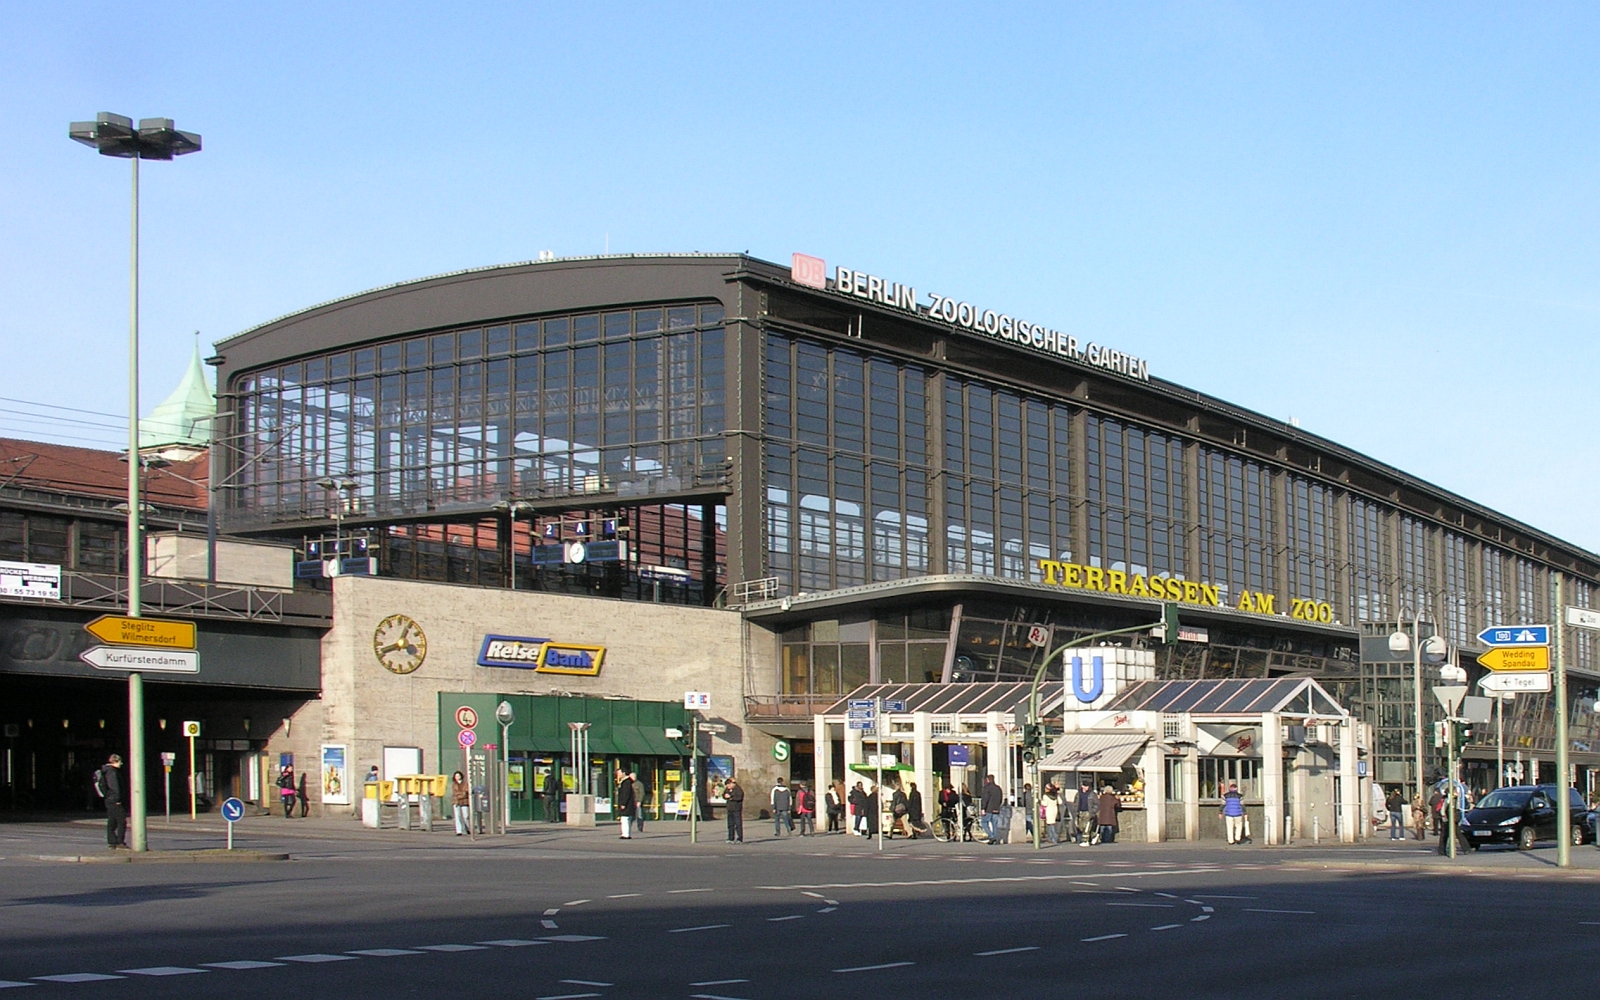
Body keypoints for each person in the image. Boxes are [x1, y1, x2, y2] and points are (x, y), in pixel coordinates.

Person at [95, 754, 126, 850]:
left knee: (112, 821)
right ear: (115, 761)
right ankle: (119, 842)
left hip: (108, 799)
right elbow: (114, 787)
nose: (121, 763)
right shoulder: (112, 772)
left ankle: (112, 841)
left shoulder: (106, 771)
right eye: (120, 761)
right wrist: (117, 799)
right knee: (121, 821)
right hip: (114, 800)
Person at [980, 774, 1005, 845]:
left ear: (987, 780)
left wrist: (983, 808)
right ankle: (995, 838)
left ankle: (991, 836)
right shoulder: (998, 788)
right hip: (996, 809)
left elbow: (985, 799)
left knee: (984, 822)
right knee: (995, 824)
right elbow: (1000, 799)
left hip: (988, 809)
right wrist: (997, 806)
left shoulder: (987, 788)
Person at [614, 768, 637, 839]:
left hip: (627, 804)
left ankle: (625, 834)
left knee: (624, 819)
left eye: (619, 773)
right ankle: (627, 833)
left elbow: (626, 794)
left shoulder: (626, 782)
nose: (618, 775)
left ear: (624, 773)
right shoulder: (626, 782)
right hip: (629, 804)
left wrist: (623, 803)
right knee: (627, 819)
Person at [1075, 781, 1099, 846]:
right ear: (1082, 786)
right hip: (1080, 812)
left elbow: (1097, 804)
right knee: (1081, 827)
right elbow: (1076, 802)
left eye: (1088, 786)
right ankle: (1094, 836)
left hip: (1088, 812)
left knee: (1086, 827)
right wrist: (1076, 811)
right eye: (1085, 786)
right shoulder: (1078, 793)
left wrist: (1093, 812)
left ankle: (1085, 841)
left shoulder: (1092, 794)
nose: (1087, 788)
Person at [724, 777, 745, 843]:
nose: (727, 786)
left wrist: (730, 797)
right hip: (729, 808)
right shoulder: (727, 789)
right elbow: (724, 794)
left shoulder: (738, 789)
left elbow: (739, 797)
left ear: (732, 784)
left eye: (728, 785)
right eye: (727, 785)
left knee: (738, 824)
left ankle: (739, 838)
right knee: (730, 824)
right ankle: (730, 838)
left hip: (736, 809)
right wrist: (725, 796)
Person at [450, 770, 471, 835]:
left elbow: (466, 792)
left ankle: (467, 828)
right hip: (456, 802)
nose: (457, 777)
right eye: (456, 776)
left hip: (464, 802)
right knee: (457, 816)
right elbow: (455, 793)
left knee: (466, 816)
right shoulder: (454, 784)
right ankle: (459, 831)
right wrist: (462, 794)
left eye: (458, 776)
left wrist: (462, 794)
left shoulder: (465, 784)